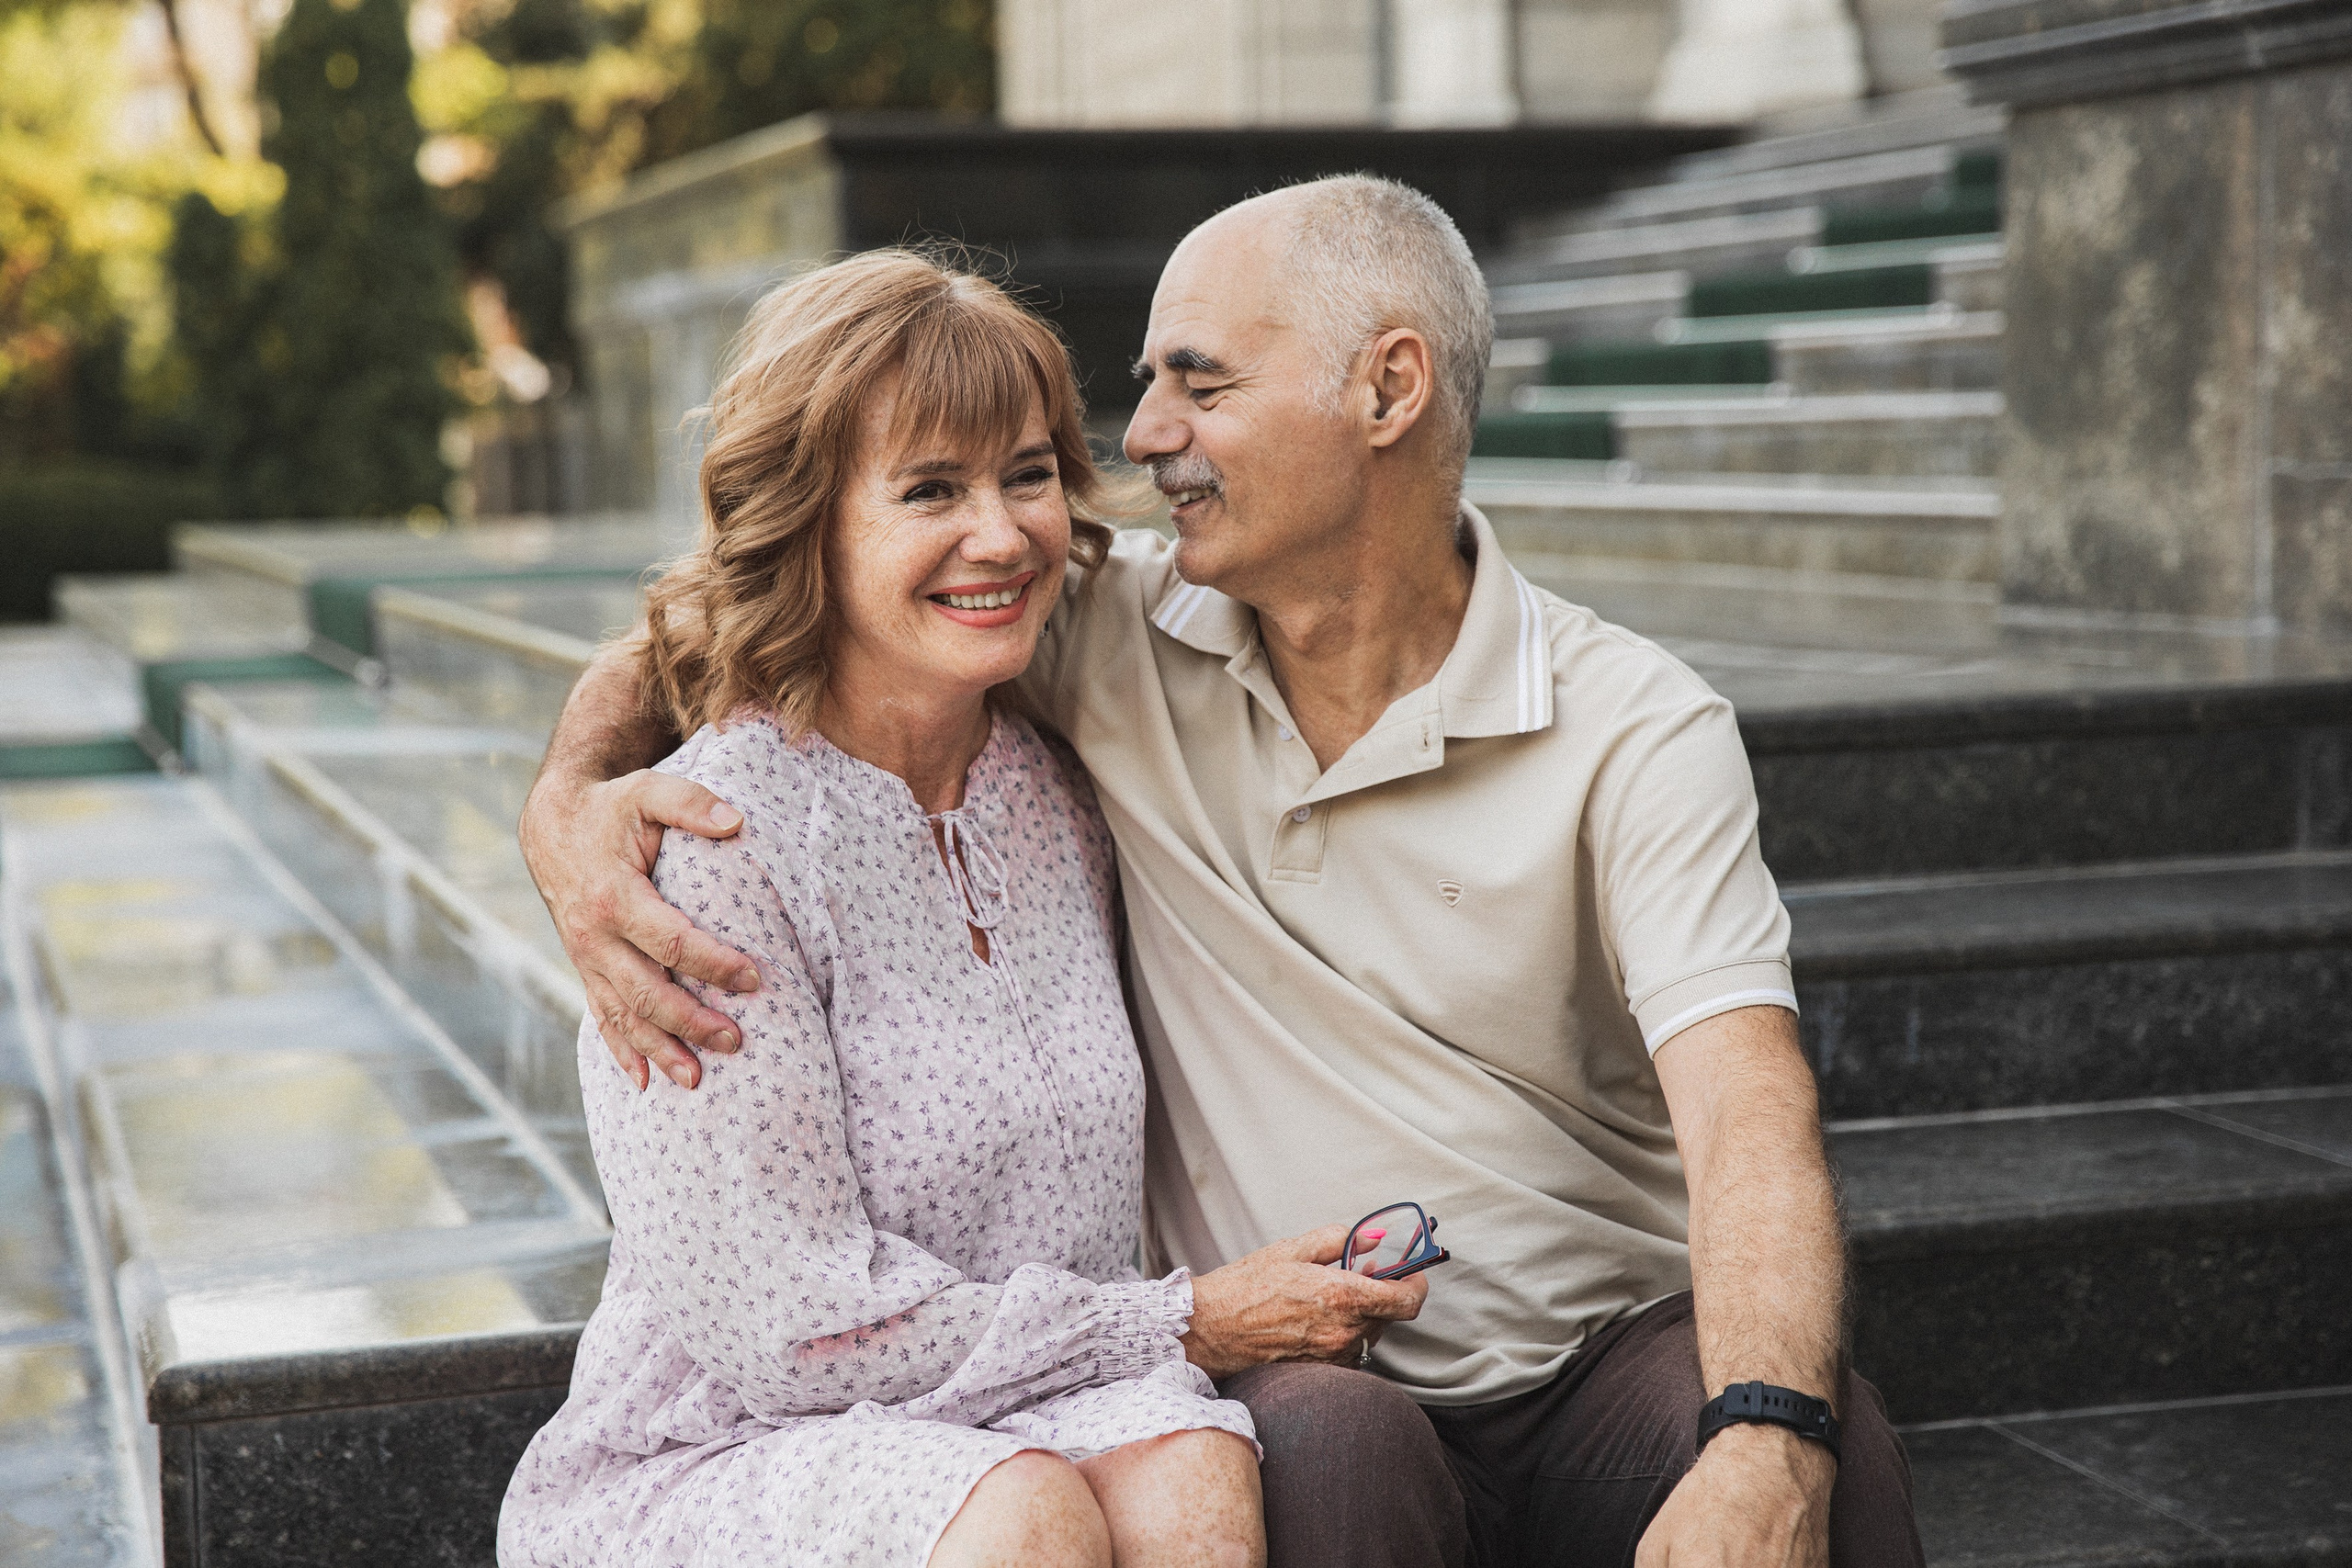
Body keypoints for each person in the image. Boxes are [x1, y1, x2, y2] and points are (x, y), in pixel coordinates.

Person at [520, 177, 1925, 1568]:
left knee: (1823, 1451)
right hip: (1294, 1377)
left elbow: (1749, 1112)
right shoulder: (1103, 634)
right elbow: (757, 601)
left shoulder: (1634, 723)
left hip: (1591, 1354)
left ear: (1389, 391)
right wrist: (569, 800)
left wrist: (1765, 1431)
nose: (1141, 438)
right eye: (1141, 387)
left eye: (1199, 383)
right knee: (1311, 1456)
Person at [497, 250, 1303, 1568]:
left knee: (1195, 1474)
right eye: (931, 489)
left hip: (1023, 1399)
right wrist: (1185, 1320)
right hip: (734, 1437)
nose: (1000, 534)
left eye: (1029, 474)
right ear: (809, 522)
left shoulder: (1051, 786)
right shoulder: (713, 843)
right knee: (1023, 1514)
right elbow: (789, 1326)